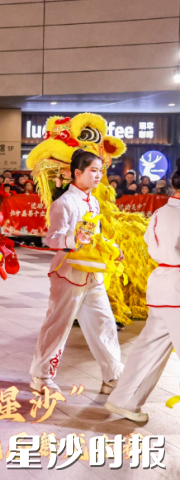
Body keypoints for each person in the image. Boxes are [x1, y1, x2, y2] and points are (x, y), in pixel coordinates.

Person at [29, 150, 124, 395]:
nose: (98, 175)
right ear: (77, 173)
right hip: (68, 272)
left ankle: (112, 376)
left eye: (100, 170)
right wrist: (73, 239)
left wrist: (111, 248)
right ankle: (41, 377)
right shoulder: (64, 203)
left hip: (92, 273)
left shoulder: (93, 201)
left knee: (104, 323)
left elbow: (96, 235)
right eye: (93, 170)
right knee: (58, 324)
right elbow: (51, 239)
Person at [105, 159, 180, 423]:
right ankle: (124, 401)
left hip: (161, 284)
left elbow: (150, 243)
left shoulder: (161, 212)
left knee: (148, 349)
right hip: (177, 287)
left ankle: (123, 401)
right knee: (149, 348)